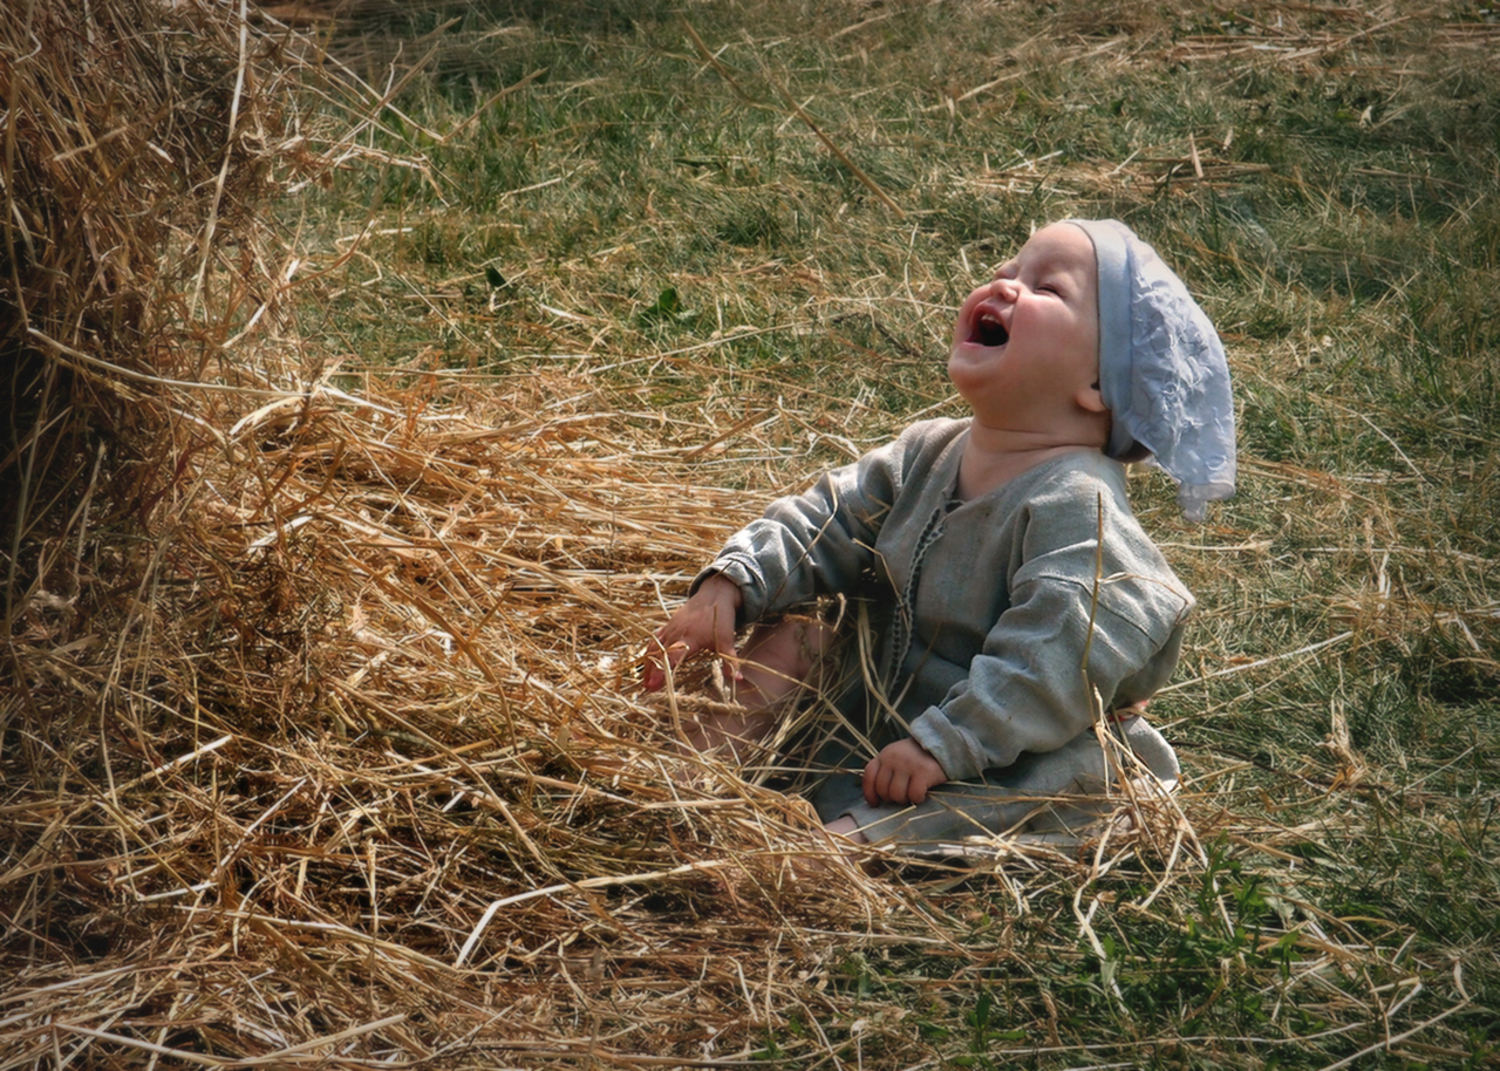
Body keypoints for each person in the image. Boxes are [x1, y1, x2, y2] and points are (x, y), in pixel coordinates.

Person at [643, 219, 1235, 853]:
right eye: (1007, 270)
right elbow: (830, 518)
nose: (1004, 285)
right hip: (880, 695)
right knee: (799, 639)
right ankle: (672, 782)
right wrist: (733, 580)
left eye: (1046, 287)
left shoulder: (1078, 506)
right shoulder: (930, 450)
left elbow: (1056, 659)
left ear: (1100, 384)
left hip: (1001, 741)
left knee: (1025, 794)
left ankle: (827, 852)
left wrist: (947, 743)